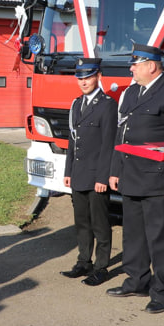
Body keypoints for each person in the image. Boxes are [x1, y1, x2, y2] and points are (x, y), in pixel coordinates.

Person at [108, 43, 164, 313]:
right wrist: (114, 169)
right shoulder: (131, 92)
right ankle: (136, 280)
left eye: (136, 63)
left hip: (157, 180)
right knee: (133, 235)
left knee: (161, 238)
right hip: (132, 175)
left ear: (152, 65)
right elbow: (121, 134)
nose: (131, 68)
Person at [59, 57, 117, 286]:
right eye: (80, 78)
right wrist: (68, 170)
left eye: (88, 77)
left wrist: (103, 177)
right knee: (82, 222)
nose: (83, 82)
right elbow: (73, 141)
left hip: (97, 177)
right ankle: (84, 262)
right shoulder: (76, 104)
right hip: (79, 174)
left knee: (100, 224)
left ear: (98, 77)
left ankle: (101, 267)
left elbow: (108, 144)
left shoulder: (107, 105)